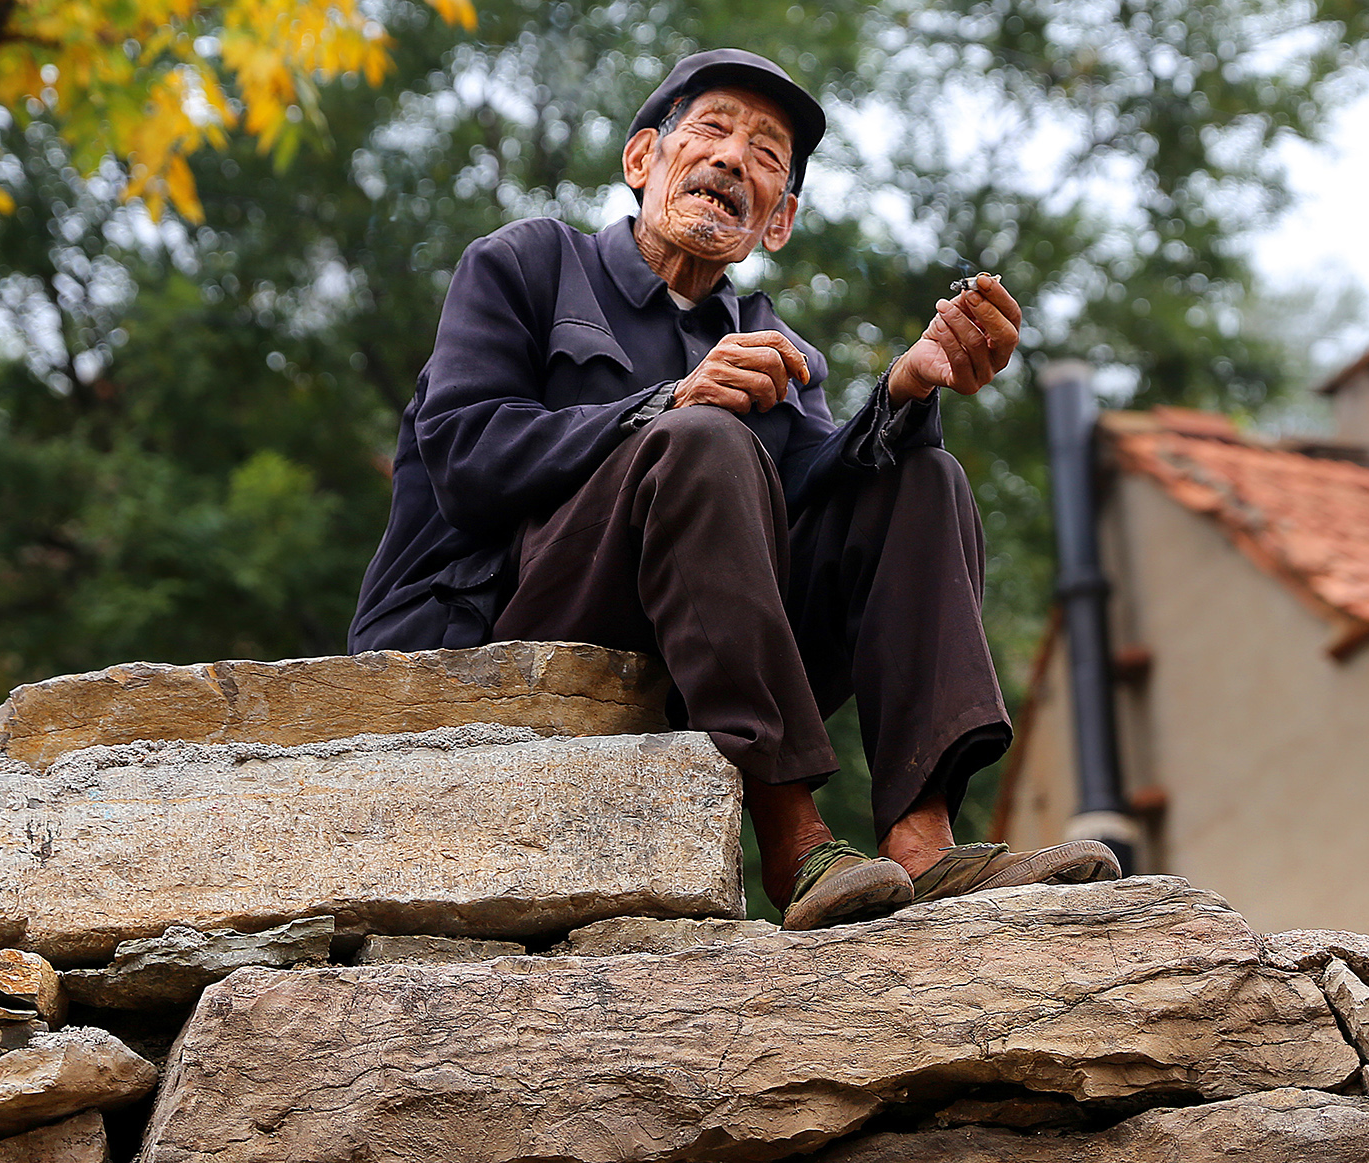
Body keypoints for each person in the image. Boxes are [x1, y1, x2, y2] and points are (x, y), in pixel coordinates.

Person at [351, 48, 1118, 929]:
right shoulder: (527, 264)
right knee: (704, 438)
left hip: (698, 648)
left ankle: (923, 837)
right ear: (643, 161)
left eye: (764, 155)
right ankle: (794, 835)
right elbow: (462, 453)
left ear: (778, 219)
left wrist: (903, 393)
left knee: (923, 475)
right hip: (501, 621)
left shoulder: (771, 341)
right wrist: (665, 403)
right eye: (711, 129)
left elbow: (814, 501)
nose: (730, 160)